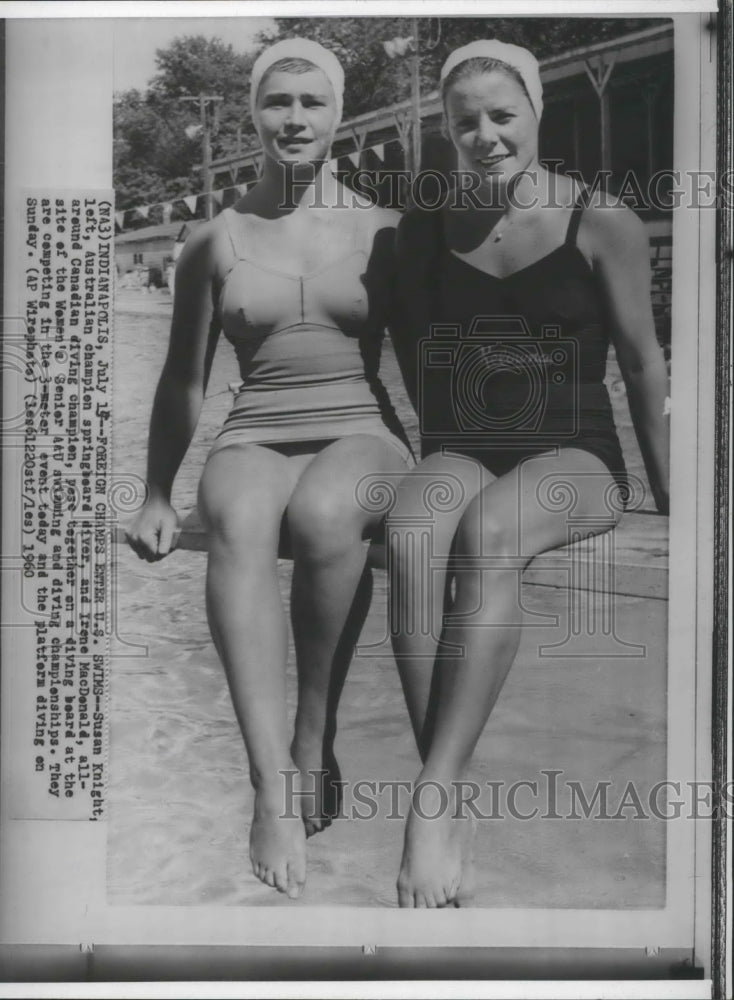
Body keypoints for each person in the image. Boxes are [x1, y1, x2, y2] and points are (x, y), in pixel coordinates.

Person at [126, 38, 411, 900]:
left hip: (360, 426)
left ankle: (311, 738)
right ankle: (269, 783)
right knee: (241, 517)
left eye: (311, 103)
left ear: (336, 115)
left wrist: (464, 471)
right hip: (256, 427)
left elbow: (434, 363)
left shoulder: (384, 229)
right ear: (254, 112)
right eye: (278, 102)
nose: (294, 118)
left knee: (329, 511)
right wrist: (154, 493)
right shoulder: (213, 240)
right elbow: (184, 379)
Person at [388, 39, 670, 908]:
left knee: (491, 532)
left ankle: (431, 799)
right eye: (463, 122)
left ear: (537, 114)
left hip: (577, 454)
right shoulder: (425, 227)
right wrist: (432, 448)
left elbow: (644, 365)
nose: (485, 135)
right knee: (409, 531)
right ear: (446, 130)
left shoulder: (603, 220)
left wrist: (680, 504)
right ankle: (451, 779)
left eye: (502, 116)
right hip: (465, 447)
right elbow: (407, 346)